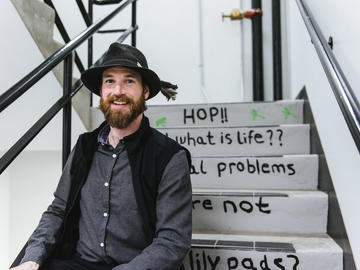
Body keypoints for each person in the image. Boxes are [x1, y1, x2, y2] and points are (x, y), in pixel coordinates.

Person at [10, 42, 192, 270]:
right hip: (79, 264)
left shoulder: (169, 157)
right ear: (101, 92)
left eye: (129, 81)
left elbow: (172, 243)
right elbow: (58, 210)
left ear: (145, 91)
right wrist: (32, 259)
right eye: (110, 81)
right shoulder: (84, 146)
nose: (118, 91)